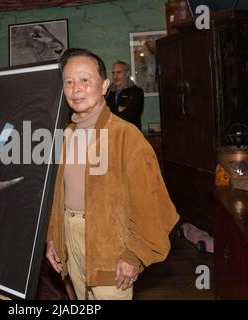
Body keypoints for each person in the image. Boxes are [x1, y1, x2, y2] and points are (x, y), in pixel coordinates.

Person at [45, 49, 179, 300]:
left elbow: (151, 202)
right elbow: (56, 194)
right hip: (70, 237)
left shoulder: (126, 136)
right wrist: (53, 238)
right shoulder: (65, 136)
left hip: (110, 244)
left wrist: (133, 254)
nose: (76, 89)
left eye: (86, 80)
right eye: (69, 82)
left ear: (105, 85)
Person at [105, 60, 144, 130]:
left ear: (127, 73)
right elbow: (103, 114)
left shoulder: (136, 92)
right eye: (113, 73)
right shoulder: (108, 92)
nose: (115, 76)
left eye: (119, 72)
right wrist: (119, 110)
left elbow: (130, 116)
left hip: (131, 135)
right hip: (113, 134)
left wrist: (111, 112)